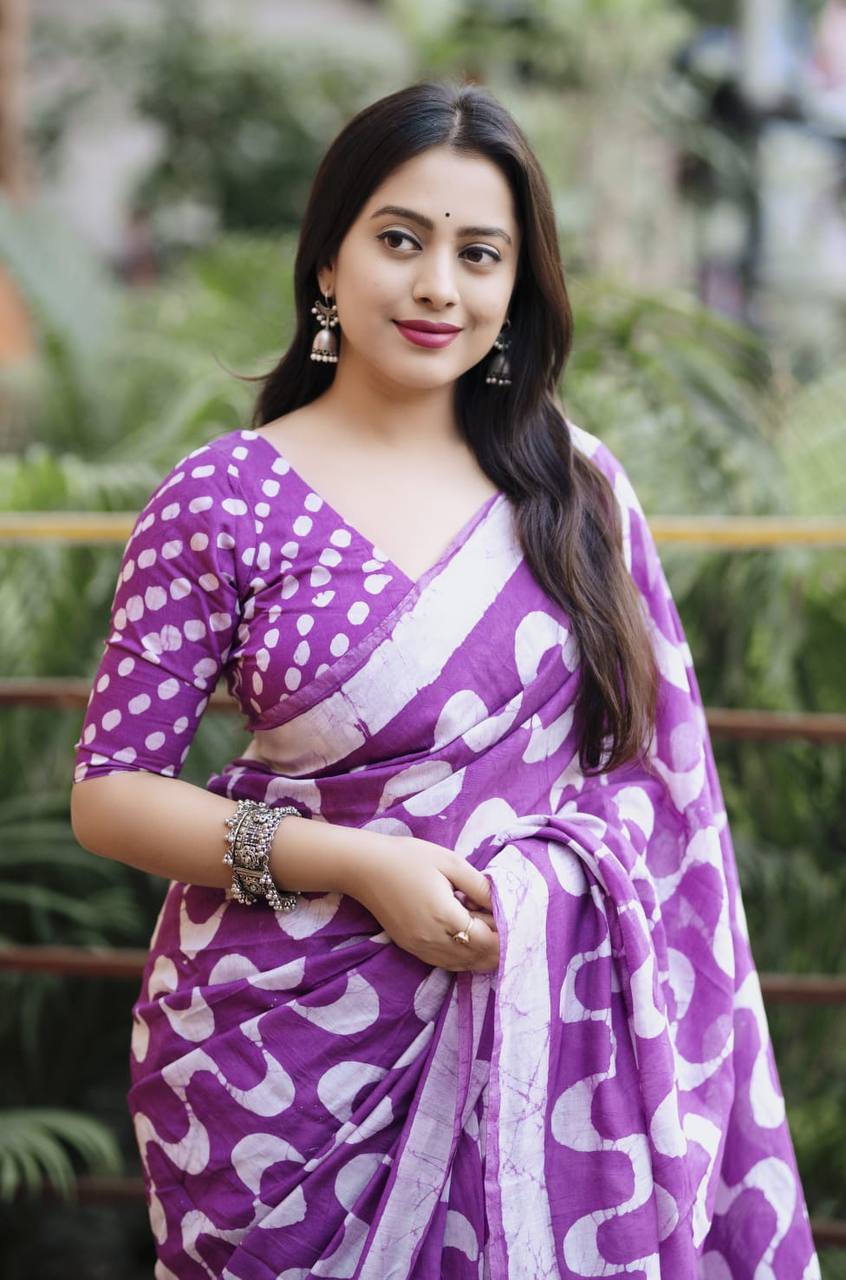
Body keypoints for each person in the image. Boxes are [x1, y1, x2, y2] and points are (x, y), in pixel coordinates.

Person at [70, 79, 820, 1279]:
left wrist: (542, 890)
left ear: (518, 286)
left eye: (480, 254)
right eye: (401, 240)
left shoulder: (573, 490)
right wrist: (360, 862)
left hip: (555, 1041)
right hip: (279, 1074)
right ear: (329, 260)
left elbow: (654, 790)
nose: (438, 287)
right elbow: (112, 793)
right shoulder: (222, 499)